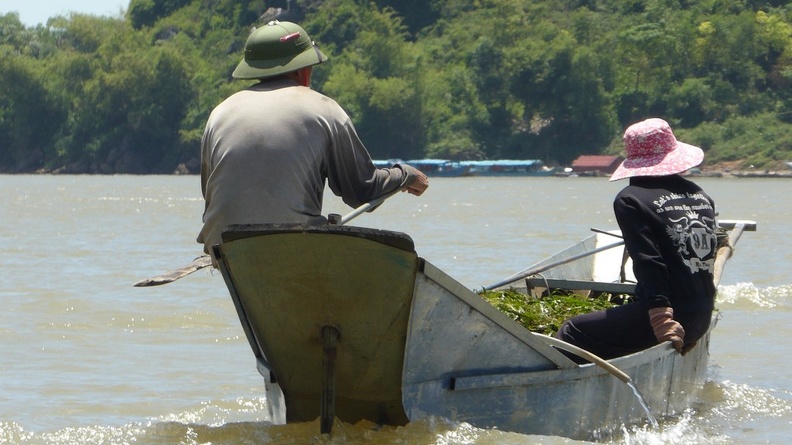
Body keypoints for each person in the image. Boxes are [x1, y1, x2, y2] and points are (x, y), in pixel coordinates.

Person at [197, 21, 429, 257]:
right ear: (301, 70)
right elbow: (363, 190)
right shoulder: (324, 109)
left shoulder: (219, 113)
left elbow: (210, 194)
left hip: (224, 248)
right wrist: (405, 175)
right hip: (294, 248)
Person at [556, 118, 718, 362]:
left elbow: (649, 262)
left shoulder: (631, 199)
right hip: (701, 315)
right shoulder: (699, 195)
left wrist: (661, 318)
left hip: (669, 319)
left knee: (573, 330)